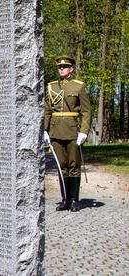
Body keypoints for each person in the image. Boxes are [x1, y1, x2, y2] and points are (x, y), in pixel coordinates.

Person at [43, 55, 92, 212]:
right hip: (56, 131)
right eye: (59, 67)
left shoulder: (78, 86)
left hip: (73, 131)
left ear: (71, 69)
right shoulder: (51, 87)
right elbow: (47, 111)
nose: (61, 69)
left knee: (73, 166)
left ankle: (74, 200)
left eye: (64, 67)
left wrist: (84, 131)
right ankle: (65, 199)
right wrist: (45, 130)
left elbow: (86, 111)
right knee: (61, 166)